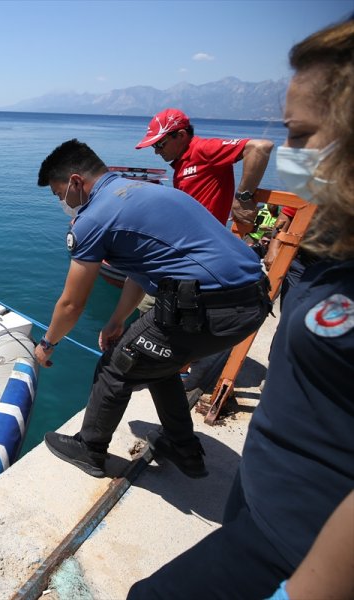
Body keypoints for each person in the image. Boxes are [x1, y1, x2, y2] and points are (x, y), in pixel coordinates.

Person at [129, 17, 354, 599]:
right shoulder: (327, 250)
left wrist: (247, 202)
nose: (293, 152)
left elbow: (254, 150)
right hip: (261, 487)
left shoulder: (202, 149)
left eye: (303, 135)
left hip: (298, 534)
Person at [35, 139, 270, 479]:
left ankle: (90, 449)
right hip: (254, 301)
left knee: (118, 365)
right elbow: (141, 270)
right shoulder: (146, 193)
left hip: (213, 309)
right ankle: (183, 448)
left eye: (59, 195)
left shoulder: (93, 218)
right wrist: (116, 320)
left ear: (75, 181)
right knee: (158, 361)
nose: (63, 203)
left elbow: (72, 303)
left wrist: (47, 344)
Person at [135, 107, 274, 234]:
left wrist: (243, 198)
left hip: (204, 242)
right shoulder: (181, 162)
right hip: (187, 236)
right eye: (154, 146)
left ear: (181, 135)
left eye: (160, 144)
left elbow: (260, 148)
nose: (157, 151)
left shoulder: (204, 149)